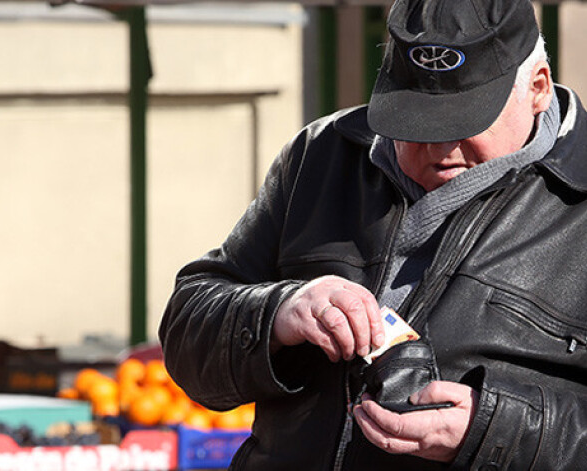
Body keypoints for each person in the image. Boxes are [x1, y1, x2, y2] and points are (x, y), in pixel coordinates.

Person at [159, 0, 587, 469]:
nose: (441, 149)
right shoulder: (322, 155)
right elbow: (186, 331)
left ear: (538, 88)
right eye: (417, 123)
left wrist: (496, 431)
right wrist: (277, 311)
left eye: (466, 121)